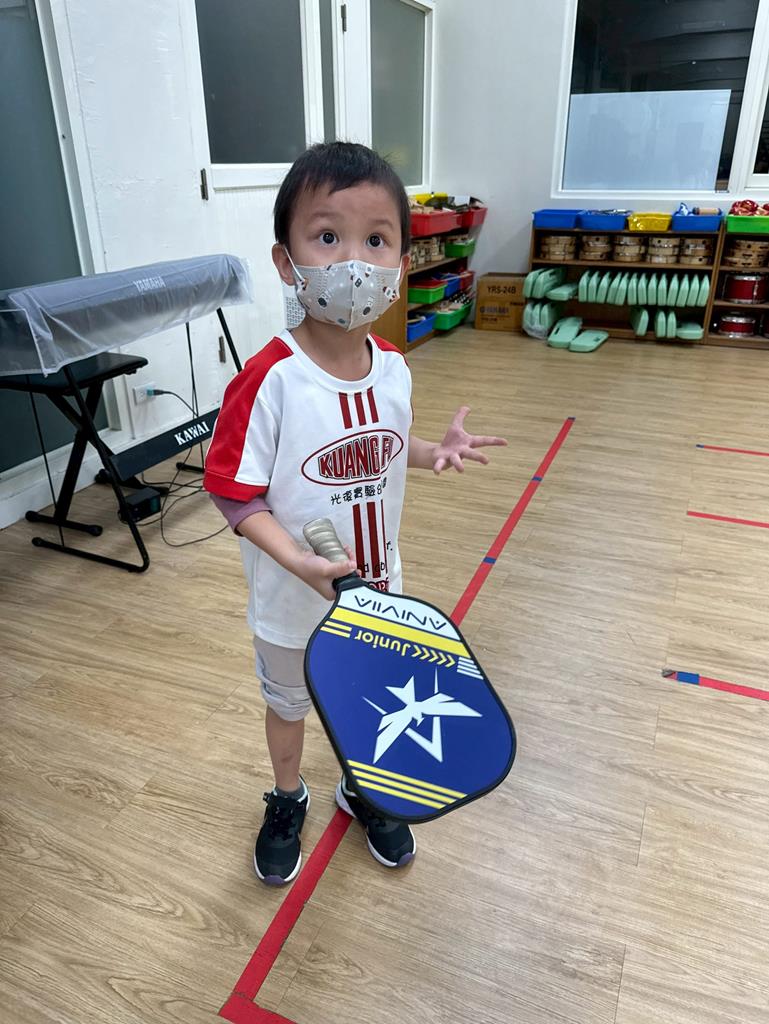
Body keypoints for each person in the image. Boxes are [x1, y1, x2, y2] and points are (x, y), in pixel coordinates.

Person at [204, 141, 505, 886]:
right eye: (327, 236)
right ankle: (287, 796)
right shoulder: (268, 380)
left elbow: (384, 445)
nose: (353, 262)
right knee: (289, 705)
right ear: (287, 262)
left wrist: (432, 452)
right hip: (291, 600)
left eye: (376, 240)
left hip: (378, 591)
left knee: (369, 700)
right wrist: (296, 560)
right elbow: (233, 491)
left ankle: (364, 788)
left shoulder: (394, 367)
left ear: (402, 260)